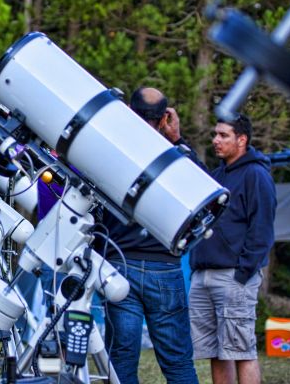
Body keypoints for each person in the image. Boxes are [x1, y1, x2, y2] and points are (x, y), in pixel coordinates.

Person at [101, 87, 200, 384]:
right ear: (163, 119)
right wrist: (178, 139)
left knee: (121, 358)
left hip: (121, 264)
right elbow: (202, 189)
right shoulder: (177, 158)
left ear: (130, 112)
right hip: (164, 267)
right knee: (178, 362)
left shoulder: (110, 149)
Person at [189, 114, 276, 384]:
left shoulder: (256, 175)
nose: (216, 140)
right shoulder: (218, 175)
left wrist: (242, 274)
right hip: (203, 276)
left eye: (223, 135)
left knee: (242, 351)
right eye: (215, 134)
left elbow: (262, 231)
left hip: (233, 277)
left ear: (242, 139)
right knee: (217, 352)